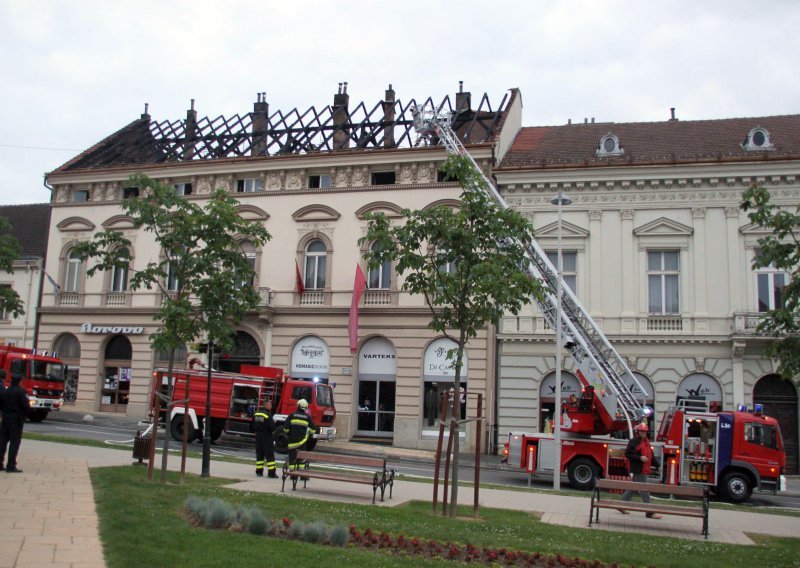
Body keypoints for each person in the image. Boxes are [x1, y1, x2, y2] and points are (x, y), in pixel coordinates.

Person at [619, 422, 662, 519]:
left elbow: (651, 456)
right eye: (641, 431)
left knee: (633, 489)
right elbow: (628, 454)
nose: (643, 433)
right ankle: (649, 512)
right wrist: (640, 458)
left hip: (643, 470)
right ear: (638, 431)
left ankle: (620, 505)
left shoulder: (647, 442)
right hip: (638, 470)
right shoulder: (634, 441)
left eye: (645, 431)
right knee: (644, 490)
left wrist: (658, 465)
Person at [0, 373, 30, 473]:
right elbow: (26, 406)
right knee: (14, 442)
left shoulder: (6, 391)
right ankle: (11, 465)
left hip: (5, 418)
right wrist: (25, 416)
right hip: (16, 419)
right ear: (20, 381)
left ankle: (0, 463)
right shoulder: (20, 392)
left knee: (2, 441)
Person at [284, 398, 316, 467]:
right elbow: (313, 430)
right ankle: (302, 476)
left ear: (298, 406)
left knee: (292, 460)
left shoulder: (292, 415)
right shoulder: (308, 417)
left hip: (292, 442)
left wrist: (289, 434)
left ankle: (292, 474)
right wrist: (307, 435)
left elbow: (285, 429)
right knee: (302, 460)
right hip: (302, 442)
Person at [253, 399, 278, 478]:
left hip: (258, 437)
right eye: (270, 405)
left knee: (259, 455)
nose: (271, 407)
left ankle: (259, 472)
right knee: (270, 455)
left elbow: (253, 425)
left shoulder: (256, 413)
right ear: (266, 405)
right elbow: (272, 427)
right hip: (267, 437)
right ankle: (271, 473)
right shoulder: (267, 415)